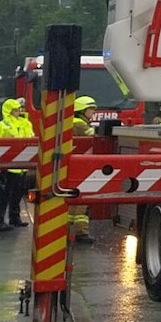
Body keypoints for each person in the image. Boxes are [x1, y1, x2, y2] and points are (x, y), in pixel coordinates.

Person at [0, 99, 34, 231]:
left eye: (19, 109)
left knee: (17, 195)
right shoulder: (0, 126)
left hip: (21, 166)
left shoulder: (26, 124)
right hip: (6, 168)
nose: (18, 112)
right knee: (2, 195)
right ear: (8, 111)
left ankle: (15, 218)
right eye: (15, 110)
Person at [68, 96, 97, 244]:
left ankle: (69, 231)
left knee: (73, 200)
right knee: (81, 201)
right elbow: (94, 135)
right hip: (81, 167)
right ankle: (81, 232)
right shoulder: (79, 124)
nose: (93, 112)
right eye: (90, 109)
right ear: (82, 111)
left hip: (74, 166)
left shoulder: (74, 122)